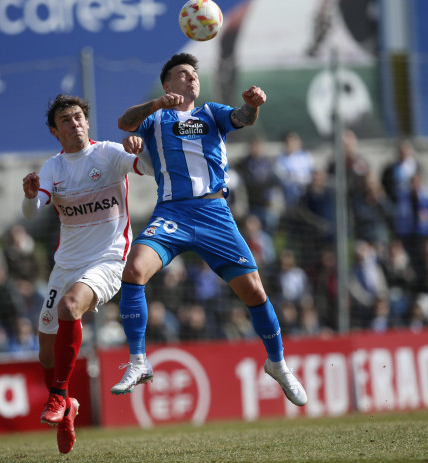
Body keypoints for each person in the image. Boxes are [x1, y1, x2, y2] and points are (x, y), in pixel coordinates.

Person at [112, 53, 307, 407]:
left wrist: (253, 106)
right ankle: (138, 361)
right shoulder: (155, 117)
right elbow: (125, 122)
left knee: (255, 292)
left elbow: (242, 118)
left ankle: (277, 363)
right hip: (172, 212)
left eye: (194, 75)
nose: (191, 79)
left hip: (214, 212)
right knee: (134, 269)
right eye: (182, 75)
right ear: (168, 84)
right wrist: (155, 104)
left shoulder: (211, 112)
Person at [21, 94, 152, 454]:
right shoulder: (53, 168)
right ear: (55, 131)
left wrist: (143, 148)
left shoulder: (109, 153)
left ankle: (60, 396)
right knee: (46, 356)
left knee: (69, 307)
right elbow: (33, 211)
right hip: (66, 265)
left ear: (88, 122)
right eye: (66, 120)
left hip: (108, 260)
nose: (75, 123)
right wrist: (31, 196)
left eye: (79, 117)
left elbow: (150, 169)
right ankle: (67, 410)